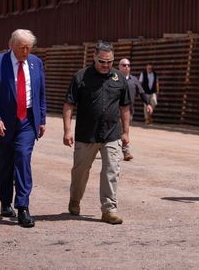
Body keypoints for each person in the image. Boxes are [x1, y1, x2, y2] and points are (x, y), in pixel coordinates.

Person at [0, 29, 46, 228]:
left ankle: (23, 207)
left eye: (29, 48)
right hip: (3, 121)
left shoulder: (36, 63)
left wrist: (41, 119)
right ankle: (4, 201)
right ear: (11, 45)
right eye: (22, 48)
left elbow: (41, 93)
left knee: (22, 157)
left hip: (27, 120)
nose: (26, 52)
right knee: (4, 164)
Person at [63, 41, 131, 224]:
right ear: (94, 57)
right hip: (86, 135)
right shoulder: (80, 77)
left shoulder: (119, 78)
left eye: (110, 62)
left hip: (112, 134)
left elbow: (125, 107)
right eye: (102, 61)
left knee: (111, 171)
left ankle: (109, 209)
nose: (106, 65)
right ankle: (75, 200)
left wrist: (126, 132)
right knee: (80, 172)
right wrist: (68, 130)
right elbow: (69, 105)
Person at [117, 58, 153, 160]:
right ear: (119, 67)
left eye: (128, 65)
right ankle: (125, 151)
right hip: (115, 110)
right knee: (121, 130)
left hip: (129, 111)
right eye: (124, 65)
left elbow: (141, 93)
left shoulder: (134, 80)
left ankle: (120, 150)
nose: (126, 67)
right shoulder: (114, 79)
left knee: (124, 130)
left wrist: (148, 104)